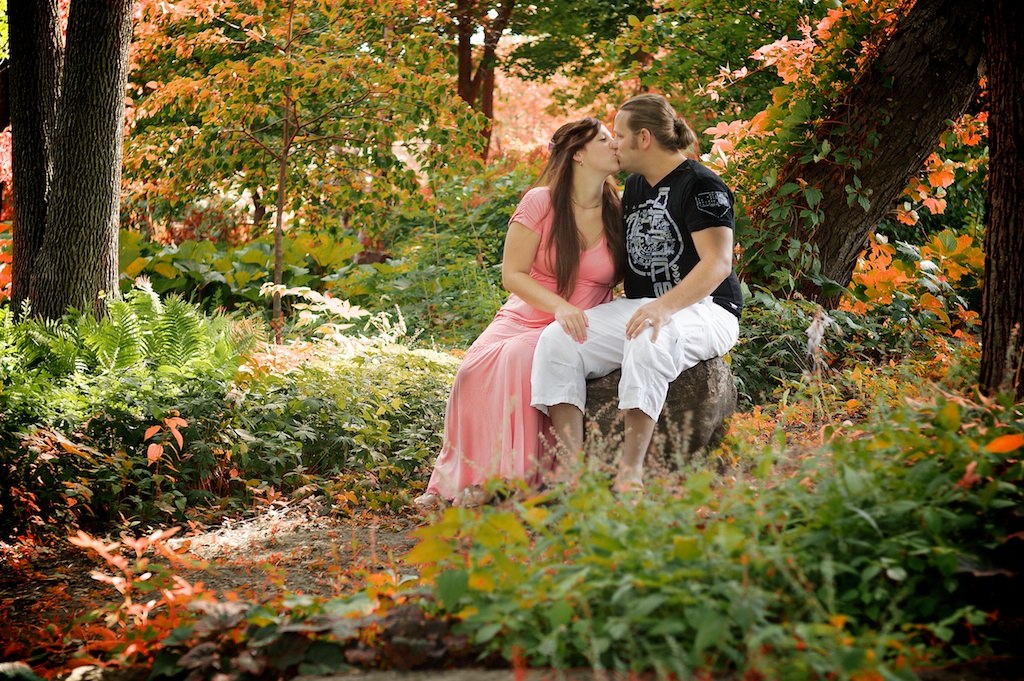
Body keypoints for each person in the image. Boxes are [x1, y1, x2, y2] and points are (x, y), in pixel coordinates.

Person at [530, 94, 742, 495]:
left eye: (621, 135)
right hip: (642, 305)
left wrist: (664, 307)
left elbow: (718, 263)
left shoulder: (702, 185)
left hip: (707, 308)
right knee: (559, 339)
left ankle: (630, 472)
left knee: (648, 337)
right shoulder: (634, 187)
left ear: (644, 138)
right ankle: (576, 472)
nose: (614, 144)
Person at [414, 117, 626, 509]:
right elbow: (512, 273)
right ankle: (458, 480)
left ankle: (513, 479)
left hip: (587, 319)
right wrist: (558, 306)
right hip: (530, 310)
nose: (615, 145)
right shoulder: (541, 201)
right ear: (578, 153)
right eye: (604, 139)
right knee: (472, 369)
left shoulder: (620, 209)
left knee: (521, 357)